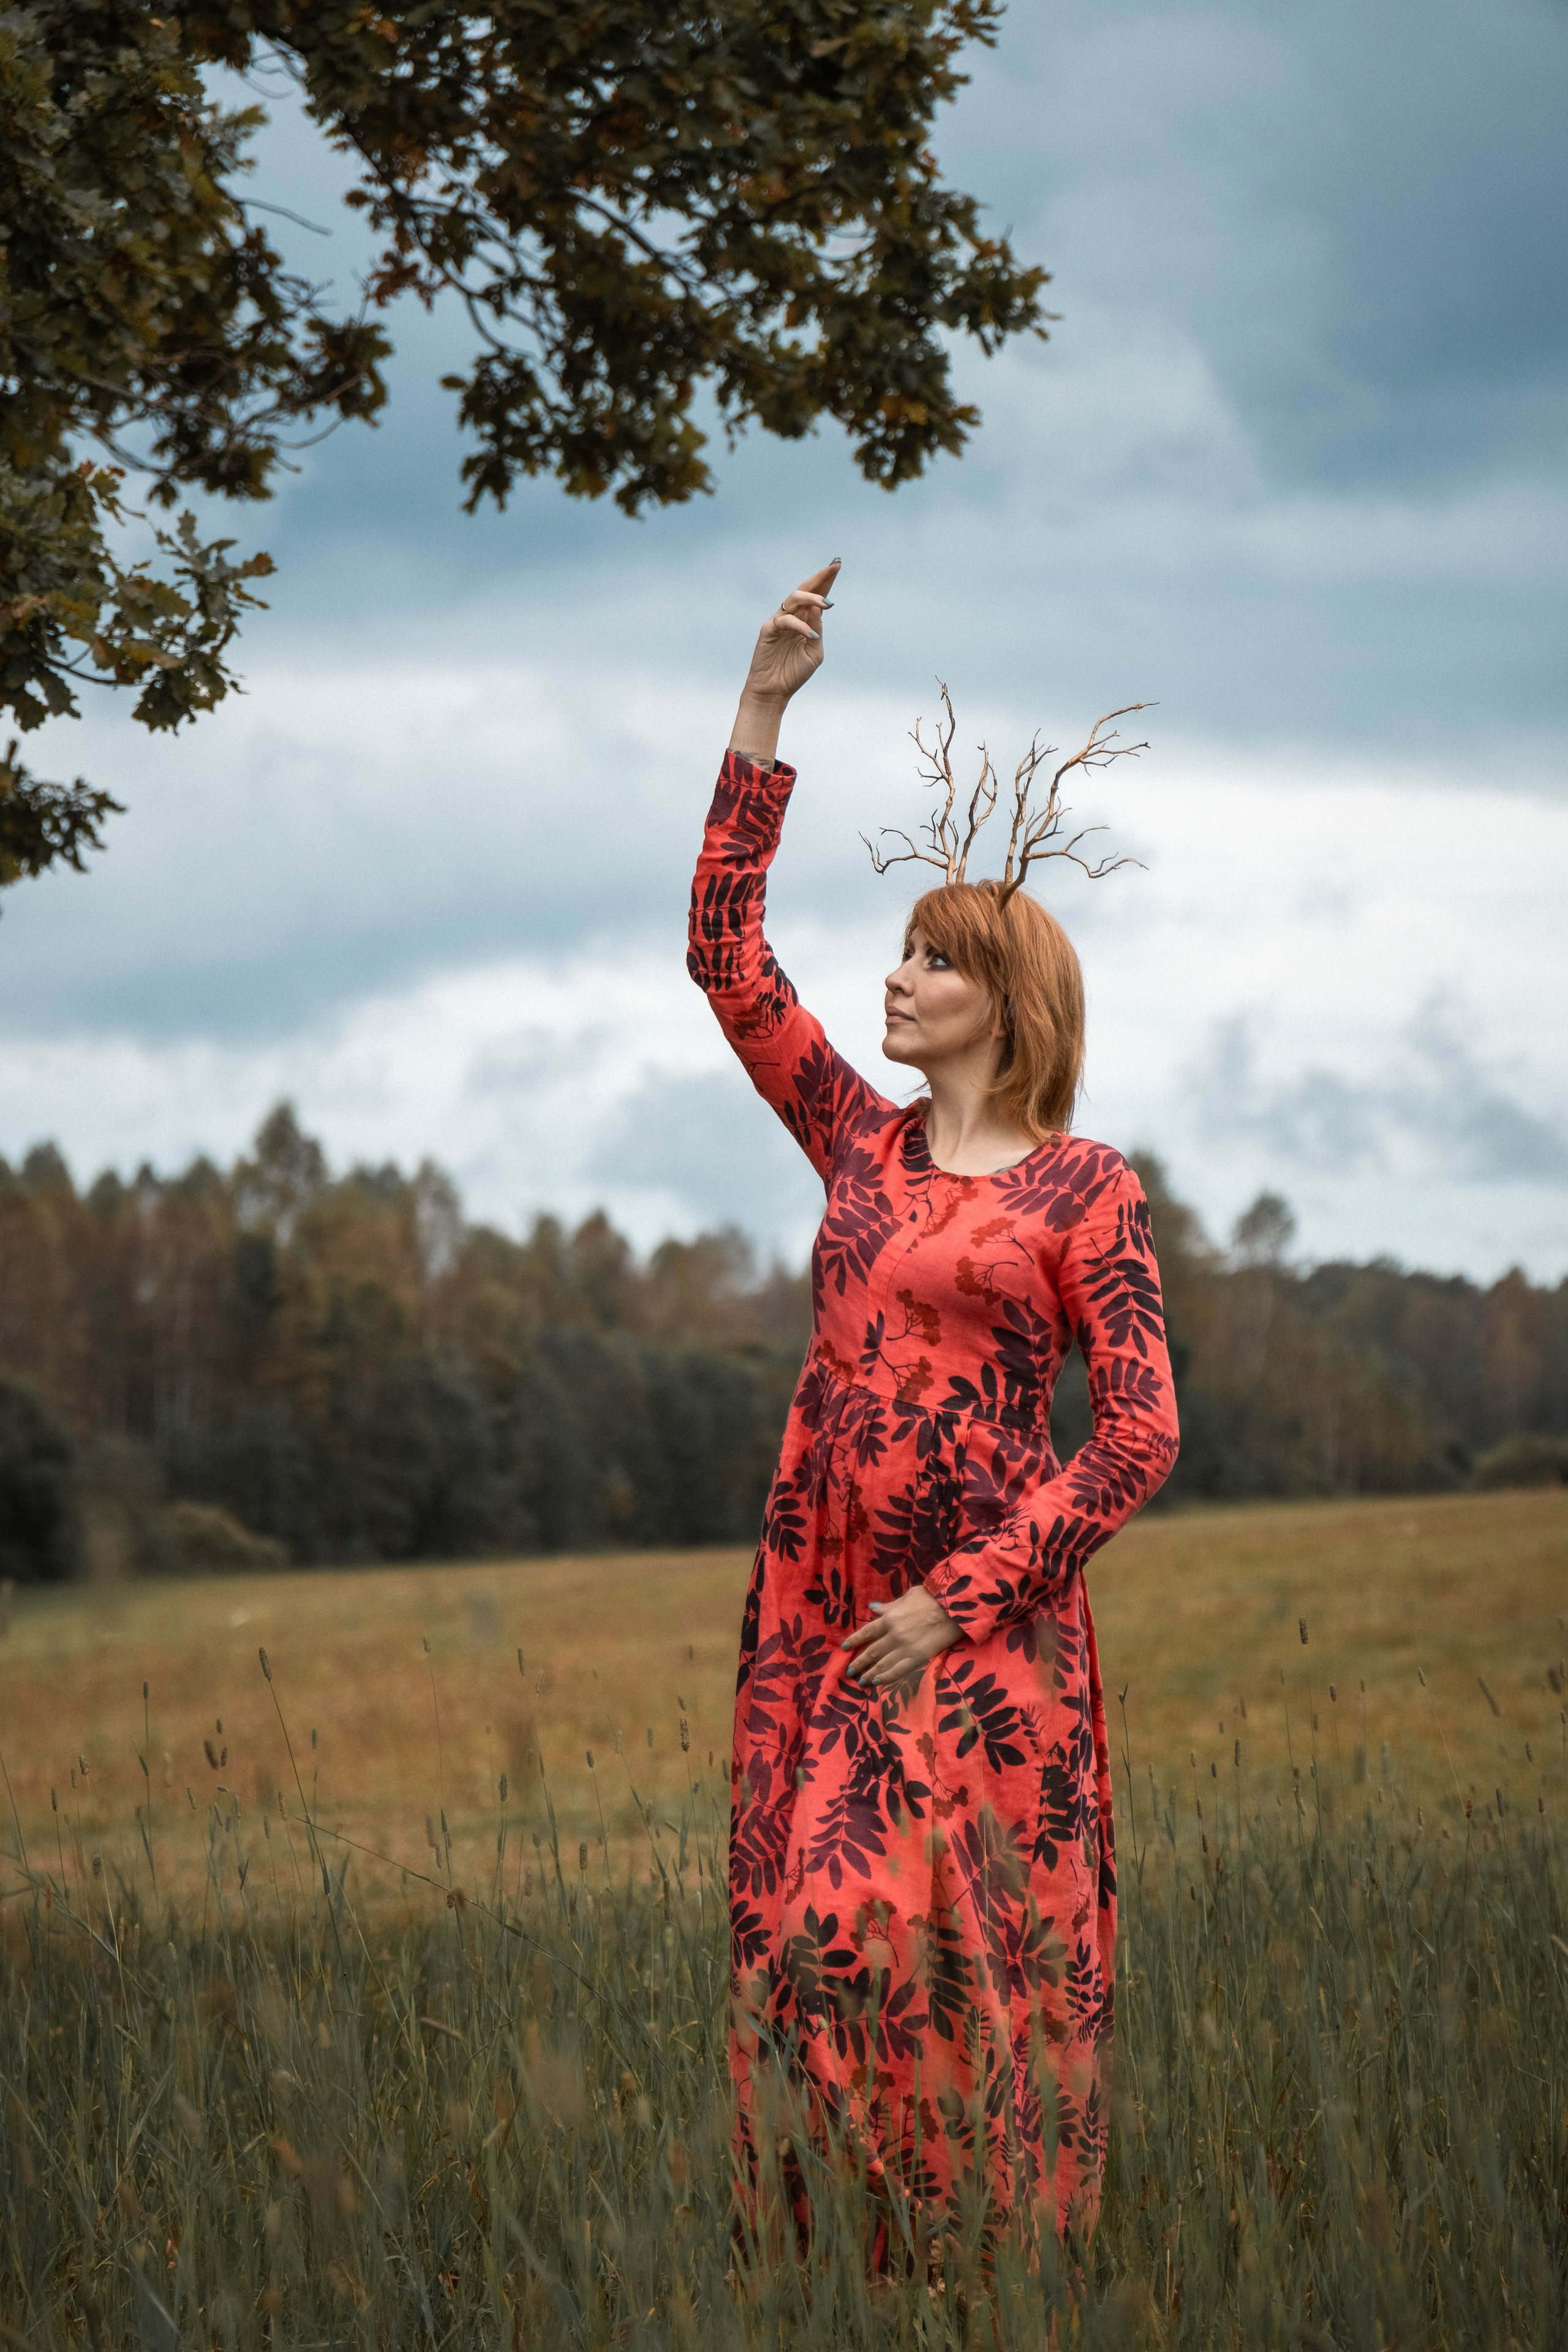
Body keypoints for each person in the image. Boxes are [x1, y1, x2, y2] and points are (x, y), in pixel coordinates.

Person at [688, 560, 1180, 2261]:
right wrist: (764, 708)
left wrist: (957, 1600)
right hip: (825, 1611)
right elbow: (727, 955)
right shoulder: (854, 1138)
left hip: (982, 1646)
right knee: (801, 1944)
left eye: (929, 965)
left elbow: (1137, 1435)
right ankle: (837, 2274)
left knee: (983, 1977)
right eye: (895, 956)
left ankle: (988, 2281)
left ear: (1006, 1004)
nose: (893, 983)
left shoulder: (1082, 1192)